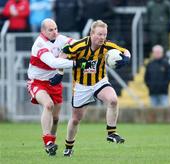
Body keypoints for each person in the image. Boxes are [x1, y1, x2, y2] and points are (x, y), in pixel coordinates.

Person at [61, 20, 131, 157]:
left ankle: (111, 133)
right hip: (81, 86)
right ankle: (68, 147)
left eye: (104, 34)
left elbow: (126, 51)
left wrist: (126, 59)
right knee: (76, 119)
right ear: (91, 33)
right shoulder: (78, 46)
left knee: (113, 100)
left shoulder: (107, 46)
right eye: (99, 34)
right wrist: (61, 72)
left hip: (99, 81)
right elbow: (61, 57)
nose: (102, 37)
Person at [27, 18, 86, 156]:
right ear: (43, 31)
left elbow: (75, 44)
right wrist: (77, 63)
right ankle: (48, 142)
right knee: (48, 105)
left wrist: (93, 44)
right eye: (51, 30)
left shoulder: (59, 38)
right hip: (37, 82)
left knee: (56, 118)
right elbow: (53, 62)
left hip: (54, 83)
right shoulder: (39, 44)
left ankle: (50, 146)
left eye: (56, 29)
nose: (55, 32)